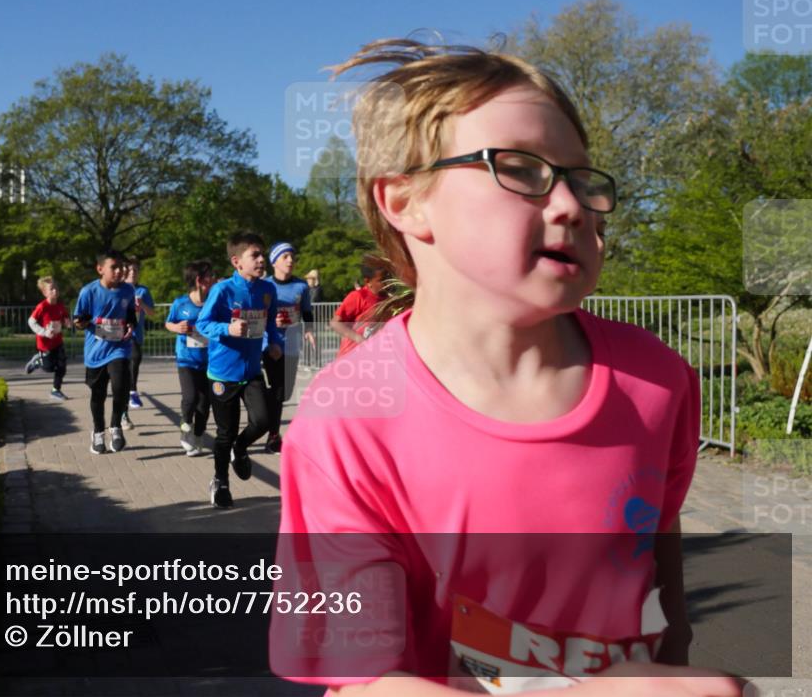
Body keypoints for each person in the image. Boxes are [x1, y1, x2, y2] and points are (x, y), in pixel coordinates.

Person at [270, 39, 739, 697]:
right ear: (405, 202)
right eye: (520, 168)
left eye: (582, 180)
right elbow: (366, 680)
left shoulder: (657, 379)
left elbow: (658, 540)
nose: (571, 205)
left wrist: (678, 660)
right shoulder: (345, 425)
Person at [196, 231, 284, 509]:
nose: (261, 260)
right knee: (226, 432)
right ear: (237, 261)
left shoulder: (267, 290)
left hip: (252, 369)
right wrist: (228, 328)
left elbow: (270, 325)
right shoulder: (223, 291)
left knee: (264, 420)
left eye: (262, 254)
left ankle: (241, 448)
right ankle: (220, 480)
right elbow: (202, 323)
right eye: (254, 255)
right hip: (223, 373)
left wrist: (274, 343)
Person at [73, 249, 137, 455]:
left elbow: (130, 317)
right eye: (114, 267)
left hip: (119, 348)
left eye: (122, 267)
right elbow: (78, 320)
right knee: (98, 394)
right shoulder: (88, 292)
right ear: (100, 269)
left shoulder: (128, 290)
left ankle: (116, 427)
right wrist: (82, 323)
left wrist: (130, 327)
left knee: (120, 387)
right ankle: (98, 433)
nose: (119, 271)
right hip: (96, 352)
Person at [262, 242, 316, 453]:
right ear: (274, 261)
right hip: (271, 343)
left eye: (292, 257)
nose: (291, 261)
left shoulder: (301, 286)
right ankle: (273, 436)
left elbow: (307, 312)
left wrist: (310, 331)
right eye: (285, 257)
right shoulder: (266, 286)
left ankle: (262, 401)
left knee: (284, 393)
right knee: (277, 390)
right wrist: (270, 322)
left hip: (292, 344)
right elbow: (257, 311)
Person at [164, 260, 215, 457]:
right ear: (199, 280)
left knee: (204, 403)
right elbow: (168, 323)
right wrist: (177, 328)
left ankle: (199, 434)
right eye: (209, 276)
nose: (213, 279)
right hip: (186, 359)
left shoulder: (214, 301)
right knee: (190, 397)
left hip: (208, 361)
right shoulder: (180, 303)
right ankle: (186, 428)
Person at [329, 258, 389, 356]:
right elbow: (335, 323)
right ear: (368, 281)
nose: (387, 283)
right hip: (352, 355)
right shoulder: (358, 297)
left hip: (374, 355)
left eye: (388, 278)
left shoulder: (388, 299)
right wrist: (359, 339)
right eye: (382, 280)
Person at [24, 276, 70, 400]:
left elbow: (65, 318)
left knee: (62, 366)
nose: (55, 291)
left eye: (56, 288)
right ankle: (37, 361)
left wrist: (67, 322)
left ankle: (56, 390)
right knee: (48, 368)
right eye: (52, 289)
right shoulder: (42, 307)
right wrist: (43, 332)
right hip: (45, 345)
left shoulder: (60, 306)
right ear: (45, 293)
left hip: (58, 342)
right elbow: (31, 322)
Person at [124, 258, 155, 411]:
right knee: (121, 366)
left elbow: (152, 313)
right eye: (129, 270)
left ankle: (132, 391)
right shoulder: (118, 289)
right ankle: (128, 391)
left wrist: (142, 304)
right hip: (118, 334)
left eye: (135, 270)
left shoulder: (143, 291)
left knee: (135, 360)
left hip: (136, 334)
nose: (132, 273)